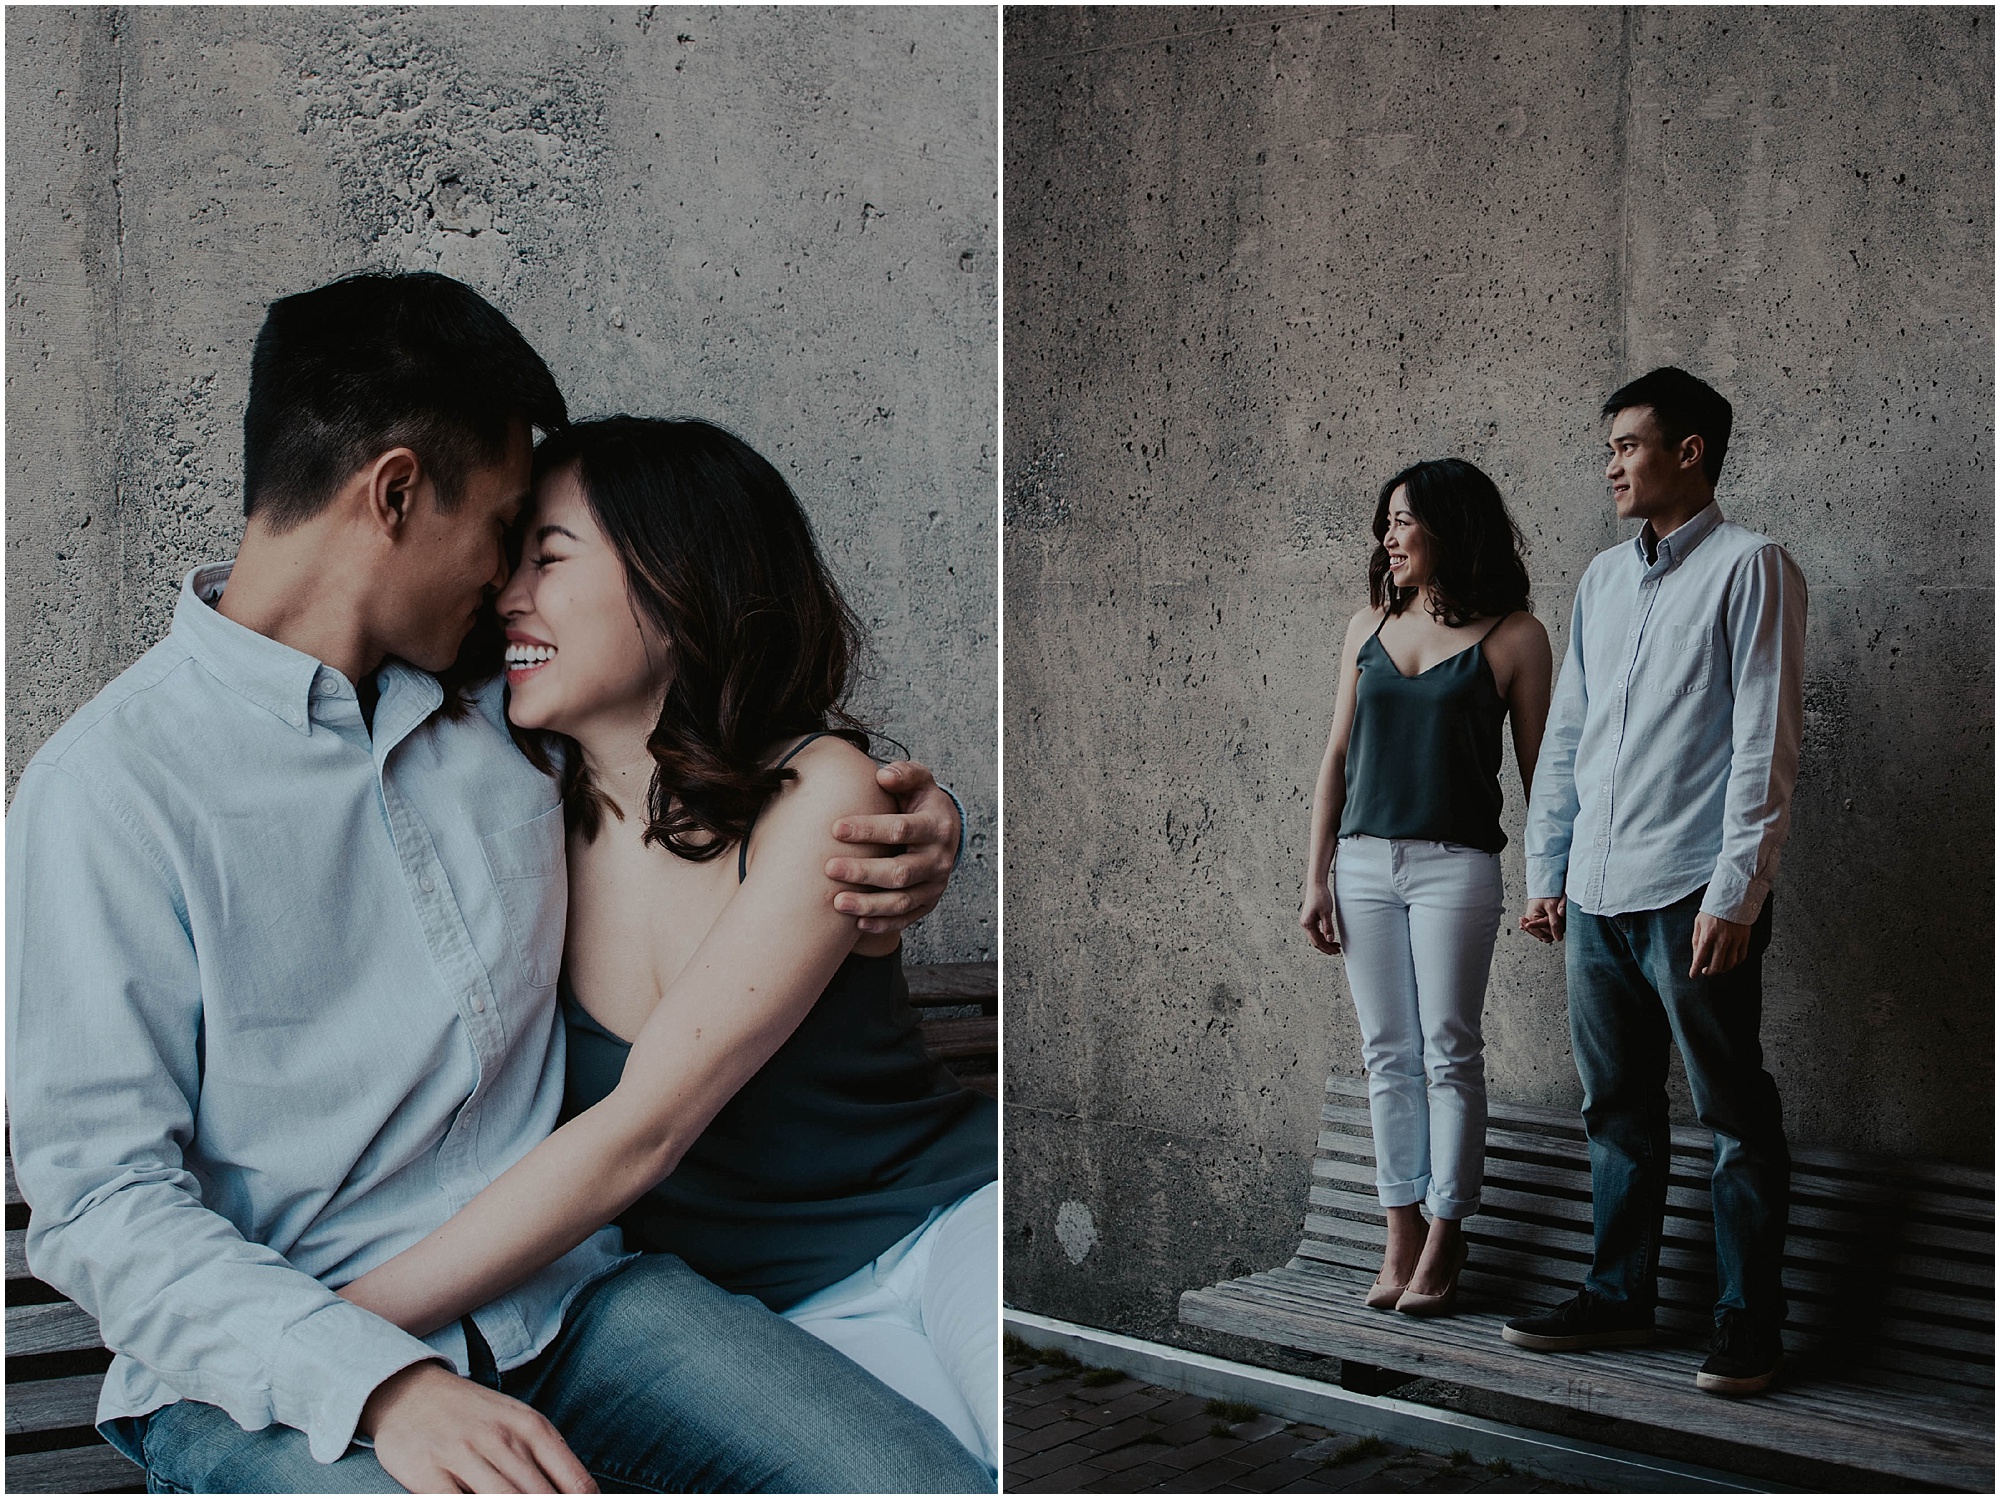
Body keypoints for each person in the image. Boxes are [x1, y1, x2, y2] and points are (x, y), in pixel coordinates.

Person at [5, 271, 990, 1493]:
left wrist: (919, 828)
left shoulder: (506, 713)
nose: (507, 579)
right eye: (501, 527)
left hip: (573, 1307)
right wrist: (364, 1370)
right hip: (282, 1370)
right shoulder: (110, 792)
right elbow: (102, 1199)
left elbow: (702, 737)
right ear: (396, 493)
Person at [335, 416, 999, 1475]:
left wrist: (328, 1332)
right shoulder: (511, 824)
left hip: (946, 1225)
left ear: (675, 581)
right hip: (767, 1324)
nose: (508, 595)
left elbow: (640, 1132)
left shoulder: (815, 791)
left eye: (550, 558)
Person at [1503, 368, 1806, 1399]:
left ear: (1688, 451)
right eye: (1609, 448)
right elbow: (1569, 739)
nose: (1611, 466)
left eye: (1628, 445)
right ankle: (1617, 1292)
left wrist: (1737, 892)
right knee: (1613, 1108)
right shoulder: (1600, 579)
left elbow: (1764, 745)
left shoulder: (1749, 566)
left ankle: (1747, 1320)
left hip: (1689, 891)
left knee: (1732, 1113)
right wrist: (1547, 868)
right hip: (1595, 892)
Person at [1299, 458, 1553, 1317]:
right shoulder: (1365, 626)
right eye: (1387, 521)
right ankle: (1399, 1229)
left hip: (1457, 866)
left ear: (1451, 526)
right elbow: (1336, 757)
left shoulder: (1515, 636)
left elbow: (1541, 776)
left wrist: (1548, 880)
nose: (1387, 536)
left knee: (1449, 1049)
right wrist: (1316, 875)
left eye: (1403, 519)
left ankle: (1448, 1230)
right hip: (1363, 864)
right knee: (1387, 1054)